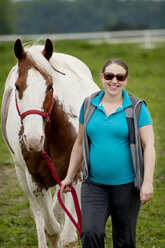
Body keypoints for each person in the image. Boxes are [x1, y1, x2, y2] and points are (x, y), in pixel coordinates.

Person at [61, 59, 155, 248]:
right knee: (90, 232)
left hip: (127, 187)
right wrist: (69, 176)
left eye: (120, 77)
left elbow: (149, 146)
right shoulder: (88, 105)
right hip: (94, 184)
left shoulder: (137, 108)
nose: (114, 81)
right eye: (109, 76)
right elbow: (79, 144)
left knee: (124, 240)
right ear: (102, 77)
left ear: (126, 80)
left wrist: (147, 182)